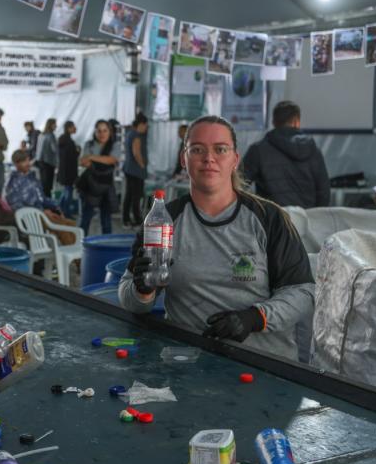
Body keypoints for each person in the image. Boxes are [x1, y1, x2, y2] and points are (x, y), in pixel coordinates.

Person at [119, 116, 314, 361]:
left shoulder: (269, 218)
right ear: (183, 159)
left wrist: (256, 318)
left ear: (235, 159)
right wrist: (142, 291)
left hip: (264, 365)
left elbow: (303, 293)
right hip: (190, 360)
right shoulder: (163, 221)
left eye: (220, 149)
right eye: (197, 149)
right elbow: (128, 297)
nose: (208, 158)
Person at [242, 101, 330, 208]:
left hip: (272, 219)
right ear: (296, 122)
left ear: (274, 122)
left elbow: (238, 184)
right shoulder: (313, 150)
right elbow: (324, 191)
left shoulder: (258, 150)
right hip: (307, 219)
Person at [76, 120, 120, 235]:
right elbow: (83, 162)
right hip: (90, 186)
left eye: (105, 130)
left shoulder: (115, 145)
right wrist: (103, 160)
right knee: (85, 219)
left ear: (109, 131)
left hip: (106, 187)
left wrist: (91, 157)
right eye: (99, 131)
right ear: (95, 132)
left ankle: (106, 247)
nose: (102, 134)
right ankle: (81, 246)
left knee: (106, 221)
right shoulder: (89, 144)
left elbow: (112, 160)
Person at [122, 113, 149, 227]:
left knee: (129, 195)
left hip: (128, 169)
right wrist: (142, 165)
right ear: (141, 124)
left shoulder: (129, 133)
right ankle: (138, 220)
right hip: (135, 170)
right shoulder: (136, 136)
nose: (146, 128)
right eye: (145, 126)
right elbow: (136, 152)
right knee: (136, 196)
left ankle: (126, 219)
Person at [57, 121, 79, 219]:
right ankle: (66, 213)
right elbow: (71, 157)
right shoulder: (68, 141)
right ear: (69, 128)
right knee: (68, 192)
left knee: (66, 191)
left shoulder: (63, 140)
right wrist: (77, 151)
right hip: (69, 171)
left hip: (64, 170)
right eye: (73, 127)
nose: (75, 129)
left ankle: (59, 209)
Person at [35, 118, 59, 198]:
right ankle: (48, 204)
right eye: (55, 124)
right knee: (48, 186)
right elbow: (54, 149)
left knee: (43, 184)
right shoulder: (51, 135)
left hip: (40, 161)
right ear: (51, 125)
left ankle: (43, 201)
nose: (56, 126)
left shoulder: (41, 135)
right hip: (48, 162)